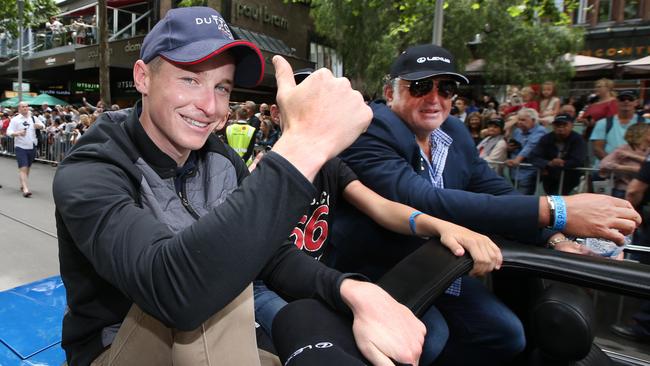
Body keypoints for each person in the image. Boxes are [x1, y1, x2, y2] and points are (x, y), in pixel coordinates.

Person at [53, 7, 425, 366]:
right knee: (213, 275)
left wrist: (350, 290)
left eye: (222, 87)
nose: (209, 106)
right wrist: (304, 146)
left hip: (199, 339)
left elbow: (273, 255)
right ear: (143, 77)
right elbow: (175, 287)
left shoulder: (221, 159)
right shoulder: (92, 169)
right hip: (114, 349)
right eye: (190, 79)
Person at [330, 43, 641, 366]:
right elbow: (422, 200)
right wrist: (558, 209)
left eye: (446, 88)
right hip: (381, 274)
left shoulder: (452, 131)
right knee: (428, 340)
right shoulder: (372, 128)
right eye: (420, 86)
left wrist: (554, 236)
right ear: (390, 92)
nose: (434, 99)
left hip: (444, 270)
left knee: (506, 335)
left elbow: (493, 189)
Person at [252, 70, 502, 366]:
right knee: (322, 347)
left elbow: (382, 207)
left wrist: (441, 226)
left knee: (429, 333)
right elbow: (270, 258)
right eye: (304, 108)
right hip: (266, 287)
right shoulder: (264, 171)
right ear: (279, 115)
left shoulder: (332, 165)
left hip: (316, 283)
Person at [529, 114, 586, 195]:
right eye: (557, 125)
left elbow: (578, 160)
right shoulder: (546, 138)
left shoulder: (578, 139)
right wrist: (548, 163)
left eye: (564, 125)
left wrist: (562, 163)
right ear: (553, 126)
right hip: (549, 178)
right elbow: (533, 156)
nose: (560, 128)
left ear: (571, 126)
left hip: (570, 178)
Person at [590, 90, 648, 169]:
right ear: (616, 102)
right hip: (607, 172)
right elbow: (597, 149)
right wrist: (615, 166)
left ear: (636, 102)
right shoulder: (602, 123)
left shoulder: (647, 123)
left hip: (636, 172)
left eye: (630, 99)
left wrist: (625, 167)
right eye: (622, 99)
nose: (626, 101)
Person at [599, 123, 650, 198]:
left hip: (644, 190)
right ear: (642, 133)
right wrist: (617, 167)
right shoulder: (624, 149)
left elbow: (646, 168)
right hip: (623, 189)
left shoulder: (647, 150)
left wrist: (625, 165)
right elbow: (604, 164)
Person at [505, 107, 547, 195]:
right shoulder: (517, 131)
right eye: (519, 120)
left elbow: (530, 146)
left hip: (529, 172)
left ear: (533, 120)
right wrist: (509, 148)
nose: (520, 122)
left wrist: (518, 159)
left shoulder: (540, 131)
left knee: (523, 199)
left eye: (523, 120)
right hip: (515, 170)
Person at [6, 101, 44, 197]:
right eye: (23, 107)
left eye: (26, 106)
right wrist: (18, 133)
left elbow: (43, 126)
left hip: (32, 146)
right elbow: (8, 132)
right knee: (23, 167)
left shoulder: (33, 118)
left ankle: (23, 184)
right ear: (19, 109)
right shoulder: (15, 119)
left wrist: (39, 126)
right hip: (20, 147)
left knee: (27, 167)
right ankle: (26, 189)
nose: (25, 108)